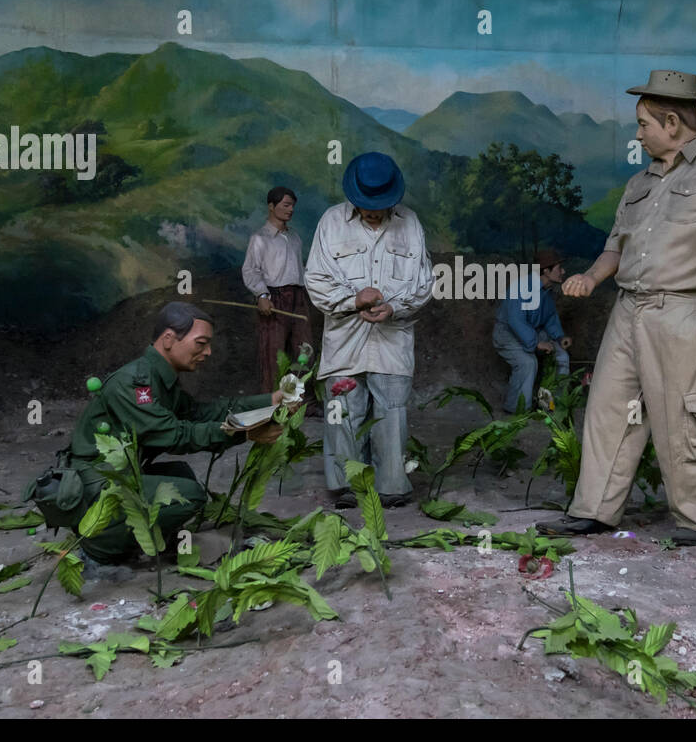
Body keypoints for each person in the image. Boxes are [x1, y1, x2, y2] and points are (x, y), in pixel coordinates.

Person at [537, 69, 696, 546]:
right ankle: (595, 511)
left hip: (684, 311)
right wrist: (591, 277)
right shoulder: (639, 183)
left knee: (685, 418)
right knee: (608, 410)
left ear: (672, 122)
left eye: (643, 124)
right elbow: (615, 246)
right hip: (628, 310)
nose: (637, 134)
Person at [25, 302, 283, 564]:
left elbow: (200, 413)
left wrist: (270, 401)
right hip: (94, 480)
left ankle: (136, 538)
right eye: (201, 343)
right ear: (169, 339)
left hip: (115, 473)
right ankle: (101, 550)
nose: (208, 352)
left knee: (180, 474)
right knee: (188, 495)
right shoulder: (136, 383)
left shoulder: (159, 378)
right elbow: (173, 435)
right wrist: (244, 433)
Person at [305, 152, 434, 508]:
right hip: (344, 340)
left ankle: (392, 486)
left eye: (380, 205)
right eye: (366, 205)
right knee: (343, 410)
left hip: (393, 339)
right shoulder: (331, 222)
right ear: (353, 196)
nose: (373, 211)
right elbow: (315, 279)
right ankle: (347, 485)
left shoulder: (410, 224)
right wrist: (353, 300)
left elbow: (423, 283)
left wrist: (394, 307)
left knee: (391, 412)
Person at [242, 185, 311, 394]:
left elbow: (302, 270)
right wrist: (262, 295)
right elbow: (251, 270)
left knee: (304, 350)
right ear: (271, 206)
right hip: (275, 298)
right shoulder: (260, 238)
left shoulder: (295, 238)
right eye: (286, 205)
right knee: (274, 352)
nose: (290, 210)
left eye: (292, 206)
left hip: (298, 298)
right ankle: (272, 403)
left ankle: (303, 402)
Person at [493, 248, 572, 413]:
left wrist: (559, 337)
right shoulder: (522, 287)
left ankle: (550, 405)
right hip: (507, 334)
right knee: (528, 363)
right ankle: (516, 409)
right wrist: (536, 343)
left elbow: (549, 318)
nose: (563, 271)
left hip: (530, 331)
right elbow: (515, 320)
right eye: (559, 268)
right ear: (546, 270)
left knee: (561, 357)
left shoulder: (546, 292)